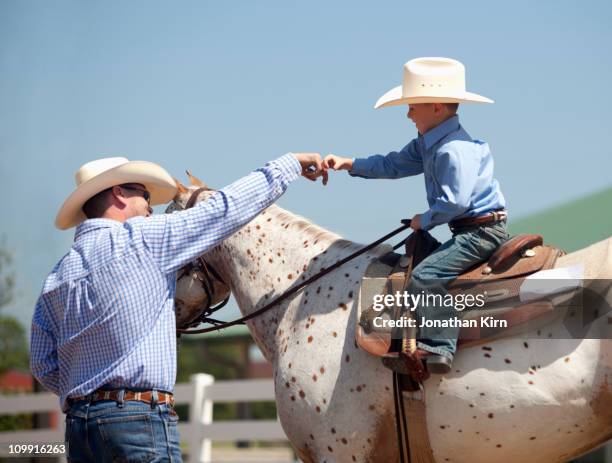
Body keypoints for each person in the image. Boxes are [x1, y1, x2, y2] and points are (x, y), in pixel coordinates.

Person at [30, 152, 326, 462]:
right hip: (138, 418)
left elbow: (43, 364)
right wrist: (288, 164)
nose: (150, 207)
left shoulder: (59, 275)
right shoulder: (142, 240)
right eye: (144, 195)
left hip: (80, 426)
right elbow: (224, 210)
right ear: (118, 194)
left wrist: (88, 391)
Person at [324, 57, 508, 374]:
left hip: (480, 232)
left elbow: (456, 201)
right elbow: (393, 164)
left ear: (435, 107)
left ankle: (438, 347)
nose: (408, 113)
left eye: (413, 106)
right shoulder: (430, 143)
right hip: (468, 230)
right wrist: (349, 163)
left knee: (424, 277)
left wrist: (425, 218)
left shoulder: (453, 149)